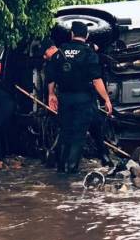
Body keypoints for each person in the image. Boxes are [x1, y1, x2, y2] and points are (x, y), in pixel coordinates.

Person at [46, 21, 113, 173]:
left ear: (72, 34)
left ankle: (61, 169)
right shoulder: (89, 53)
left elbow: (51, 76)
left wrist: (51, 94)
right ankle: (71, 170)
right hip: (83, 99)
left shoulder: (59, 52)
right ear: (87, 35)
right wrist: (106, 99)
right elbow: (96, 80)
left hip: (64, 98)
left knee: (65, 132)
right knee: (78, 134)